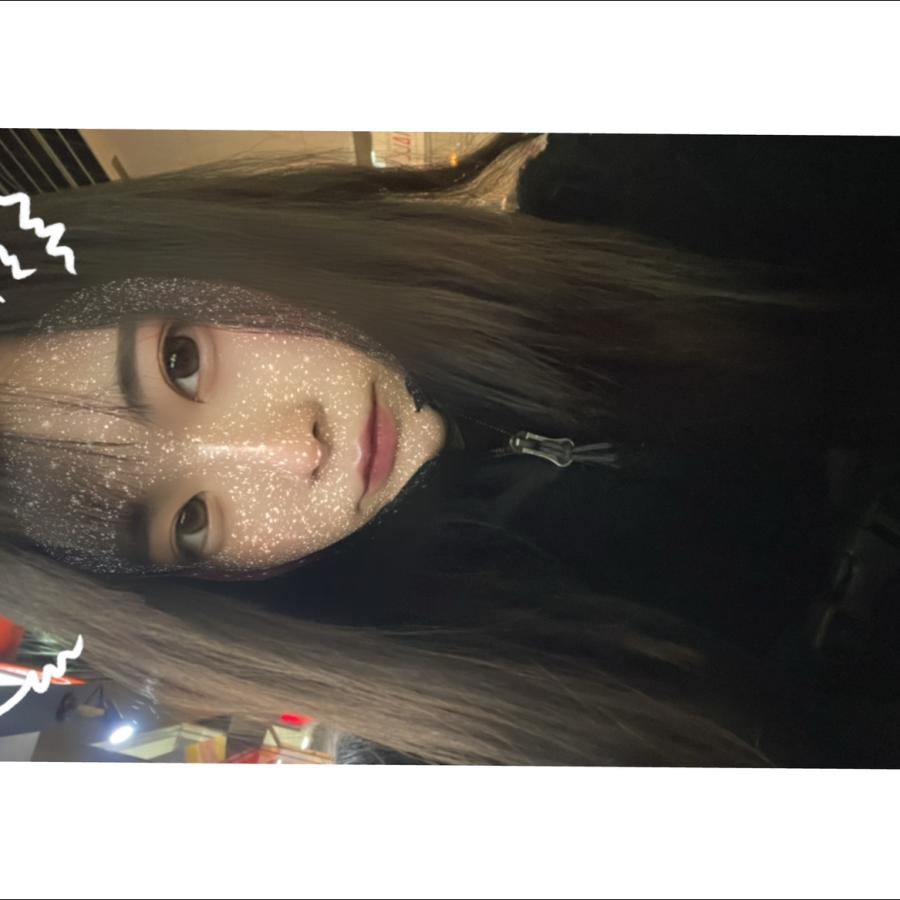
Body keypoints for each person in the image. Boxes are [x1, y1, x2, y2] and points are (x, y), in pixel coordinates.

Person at [0, 133, 897, 765]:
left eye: (180, 363)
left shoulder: (649, 179)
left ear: (197, 260)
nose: (286, 452)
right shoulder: (483, 736)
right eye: (191, 521)